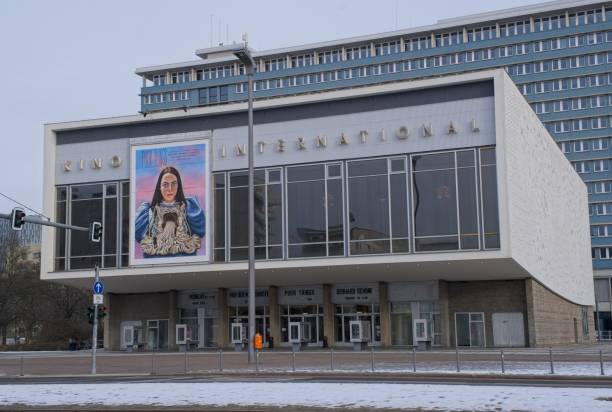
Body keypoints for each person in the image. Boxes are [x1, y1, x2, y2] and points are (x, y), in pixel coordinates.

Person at [135, 166, 205, 257]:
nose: (170, 189)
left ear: (178, 185)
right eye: (165, 184)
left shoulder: (190, 208)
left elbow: (200, 232)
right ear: (159, 187)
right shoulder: (148, 212)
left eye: (174, 183)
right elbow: (139, 237)